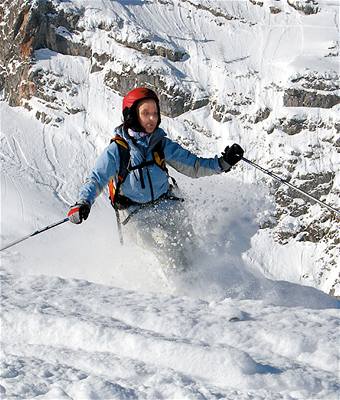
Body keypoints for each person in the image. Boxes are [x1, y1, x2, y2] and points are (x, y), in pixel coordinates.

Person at [68, 87, 244, 272]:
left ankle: (204, 279)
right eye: (146, 113)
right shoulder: (118, 151)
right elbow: (96, 179)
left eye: (155, 113)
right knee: (164, 252)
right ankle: (177, 294)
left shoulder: (161, 144)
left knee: (189, 246)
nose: (152, 118)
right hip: (135, 214)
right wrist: (83, 203)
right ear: (131, 115)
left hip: (166, 202)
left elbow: (194, 166)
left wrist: (223, 163)